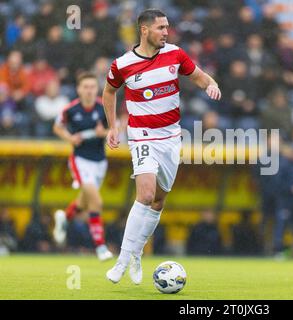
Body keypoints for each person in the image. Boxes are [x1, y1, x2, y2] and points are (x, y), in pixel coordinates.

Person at [103, 9, 221, 284]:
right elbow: (109, 91)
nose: (166, 32)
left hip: (171, 138)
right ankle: (121, 262)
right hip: (142, 135)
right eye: (161, 28)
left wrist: (211, 86)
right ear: (144, 30)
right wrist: (112, 126)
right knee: (144, 195)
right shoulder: (122, 64)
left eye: (167, 27)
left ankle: (136, 255)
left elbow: (200, 76)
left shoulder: (175, 54)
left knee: (158, 201)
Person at [52, 72, 113, 261]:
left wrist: (104, 132)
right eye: (85, 87)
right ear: (79, 89)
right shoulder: (71, 110)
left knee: (84, 202)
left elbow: (115, 128)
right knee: (96, 202)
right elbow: (57, 127)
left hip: (100, 161)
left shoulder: (103, 108)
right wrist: (70, 138)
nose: (89, 91)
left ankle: (64, 216)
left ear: (97, 89)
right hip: (80, 160)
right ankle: (101, 247)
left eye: (92, 87)